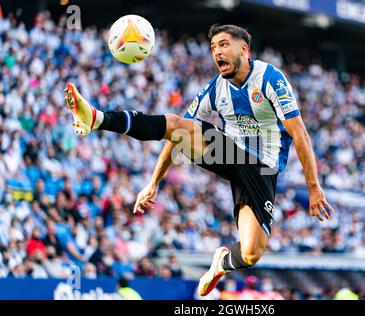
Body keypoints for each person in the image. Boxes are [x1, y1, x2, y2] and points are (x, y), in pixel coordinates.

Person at [64, 23, 334, 297]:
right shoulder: (215, 89)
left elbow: (299, 132)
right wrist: (153, 182)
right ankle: (97, 118)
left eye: (224, 44)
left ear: (244, 49)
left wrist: (313, 186)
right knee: (176, 125)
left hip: (264, 169)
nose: (217, 52)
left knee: (252, 253)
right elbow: (176, 132)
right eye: (213, 47)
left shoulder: (270, 79)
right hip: (228, 152)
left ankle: (221, 263)